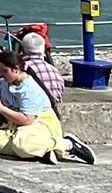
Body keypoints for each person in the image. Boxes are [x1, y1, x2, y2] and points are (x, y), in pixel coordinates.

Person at [10, 33, 95, 163]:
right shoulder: (54, 70)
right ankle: (50, 148)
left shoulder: (21, 71)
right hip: (53, 119)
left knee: (17, 143)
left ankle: (62, 145)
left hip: (32, 118)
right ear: (43, 49)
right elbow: (59, 95)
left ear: (22, 49)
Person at [0, 51, 78, 163]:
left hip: (39, 125)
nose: (2, 74)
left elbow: (27, 120)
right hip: (17, 127)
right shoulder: (6, 83)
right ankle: (41, 151)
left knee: (21, 144)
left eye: (5, 70)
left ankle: (66, 144)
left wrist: (0, 107)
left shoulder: (29, 89)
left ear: (16, 69)